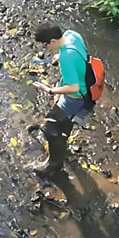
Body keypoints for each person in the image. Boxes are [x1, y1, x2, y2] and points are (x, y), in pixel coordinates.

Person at [28, 22, 90, 177]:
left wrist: (49, 90)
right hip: (87, 88)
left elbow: (73, 87)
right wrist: (59, 55)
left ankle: (54, 164)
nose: (45, 49)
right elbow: (78, 54)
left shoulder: (67, 57)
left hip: (76, 96)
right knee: (64, 121)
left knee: (50, 127)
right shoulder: (71, 34)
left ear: (53, 41)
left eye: (45, 45)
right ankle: (64, 142)